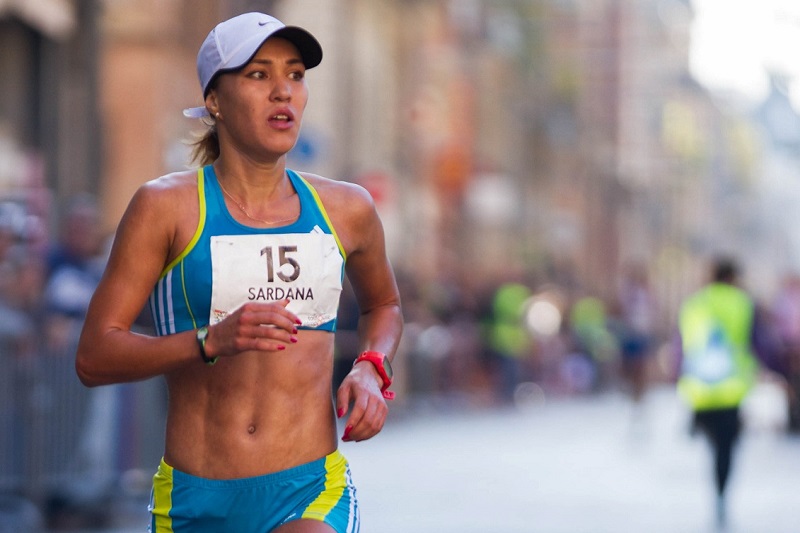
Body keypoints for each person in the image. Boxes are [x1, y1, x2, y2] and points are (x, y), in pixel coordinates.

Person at [75, 12, 403, 533]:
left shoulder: (347, 209)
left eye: (295, 75)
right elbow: (95, 357)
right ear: (214, 100)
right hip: (194, 499)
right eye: (258, 75)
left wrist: (371, 365)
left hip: (308, 491)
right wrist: (209, 340)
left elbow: (384, 305)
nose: (282, 91)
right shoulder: (165, 208)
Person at [675, 257, 778, 528]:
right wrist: (774, 368)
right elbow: (760, 343)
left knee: (713, 446)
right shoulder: (743, 303)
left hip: (699, 388)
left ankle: (697, 424)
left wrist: (678, 374)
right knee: (725, 449)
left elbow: (680, 344)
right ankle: (721, 494)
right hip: (731, 389)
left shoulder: (694, 303)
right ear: (733, 277)